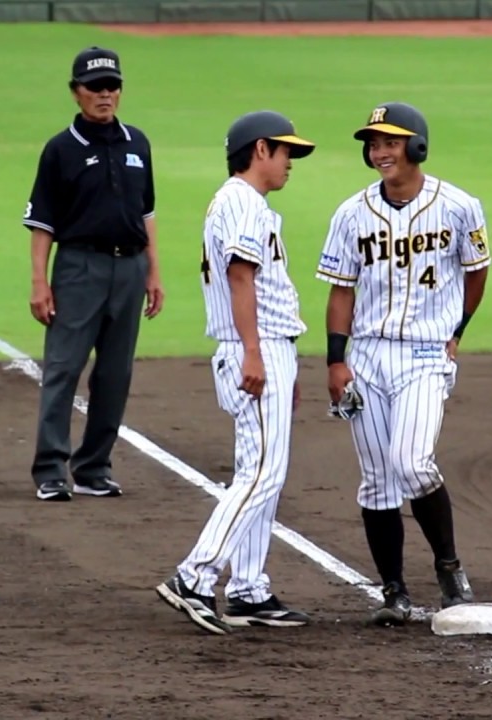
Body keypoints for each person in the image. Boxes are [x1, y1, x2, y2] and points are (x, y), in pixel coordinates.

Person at [314, 102, 491, 626]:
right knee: (377, 480)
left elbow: (477, 271)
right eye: (373, 144)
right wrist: (336, 361)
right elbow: (341, 290)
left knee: (412, 463)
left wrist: (457, 331)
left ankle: (449, 567)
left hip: (424, 352)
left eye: (390, 142)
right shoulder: (351, 214)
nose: (380, 152)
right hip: (367, 355)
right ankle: (393, 592)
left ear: (416, 146)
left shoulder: (459, 206)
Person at [155, 110, 316, 635]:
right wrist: (255, 352)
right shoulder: (243, 201)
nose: (291, 162)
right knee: (261, 473)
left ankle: (248, 590)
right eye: (286, 151)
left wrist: (279, 360)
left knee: (264, 471)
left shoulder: (240, 202)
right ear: (260, 149)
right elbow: (240, 276)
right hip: (254, 345)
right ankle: (193, 577)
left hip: (267, 346)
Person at [21, 46, 164, 503]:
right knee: (63, 368)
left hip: (130, 268)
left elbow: (146, 213)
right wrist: (40, 282)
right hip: (80, 268)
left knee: (115, 374)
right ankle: (51, 470)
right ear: (76, 92)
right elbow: (43, 222)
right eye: (95, 87)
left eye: (112, 86)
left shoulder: (137, 143)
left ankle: (93, 467)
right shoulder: (60, 150)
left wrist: (153, 272)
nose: (105, 94)